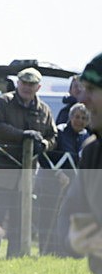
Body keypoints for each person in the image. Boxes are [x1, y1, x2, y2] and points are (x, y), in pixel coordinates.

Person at [0, 67, 57, 258]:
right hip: (2, 168)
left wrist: (45, 145)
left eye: (31, 84)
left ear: (38, 87)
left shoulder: (44, 110)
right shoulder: (4, 101)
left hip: (28, 172)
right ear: (18, 83)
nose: (27, 87)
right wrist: (23, 136)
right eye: (24, 83)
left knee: (20, 217)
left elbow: (53, 136)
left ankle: (15, 257)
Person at [56, 51, 102, 274]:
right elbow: (70, 223)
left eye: (93, 89)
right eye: (81, 88)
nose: (83, 99)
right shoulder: (92, 152)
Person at [36, 102, 90, 255]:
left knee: (66, 219)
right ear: (70, 117)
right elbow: (44, 156)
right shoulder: (59, 132)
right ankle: (45, 251)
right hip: (52, 181)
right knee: (48, 217)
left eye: (84, 118)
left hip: (74, 185)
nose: (79, 120)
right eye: (77, 116)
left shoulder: (86, 136)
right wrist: (58, 173)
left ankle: (62, 252)